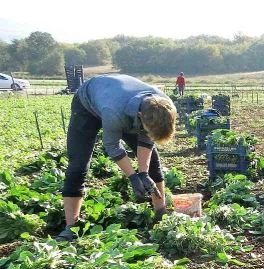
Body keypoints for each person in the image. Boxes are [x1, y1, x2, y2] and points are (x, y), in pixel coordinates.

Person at [57, 74, 177, 241]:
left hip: (119, 98)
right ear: (141, 116)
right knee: (78, 165)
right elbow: (112, 146)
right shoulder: (114, 112)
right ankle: (71, 226)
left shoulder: (164, 105)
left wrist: (143, 173)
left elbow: (147, 139)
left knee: (153, 162)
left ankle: (160, 212)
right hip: (88, 104)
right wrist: (133, 177)